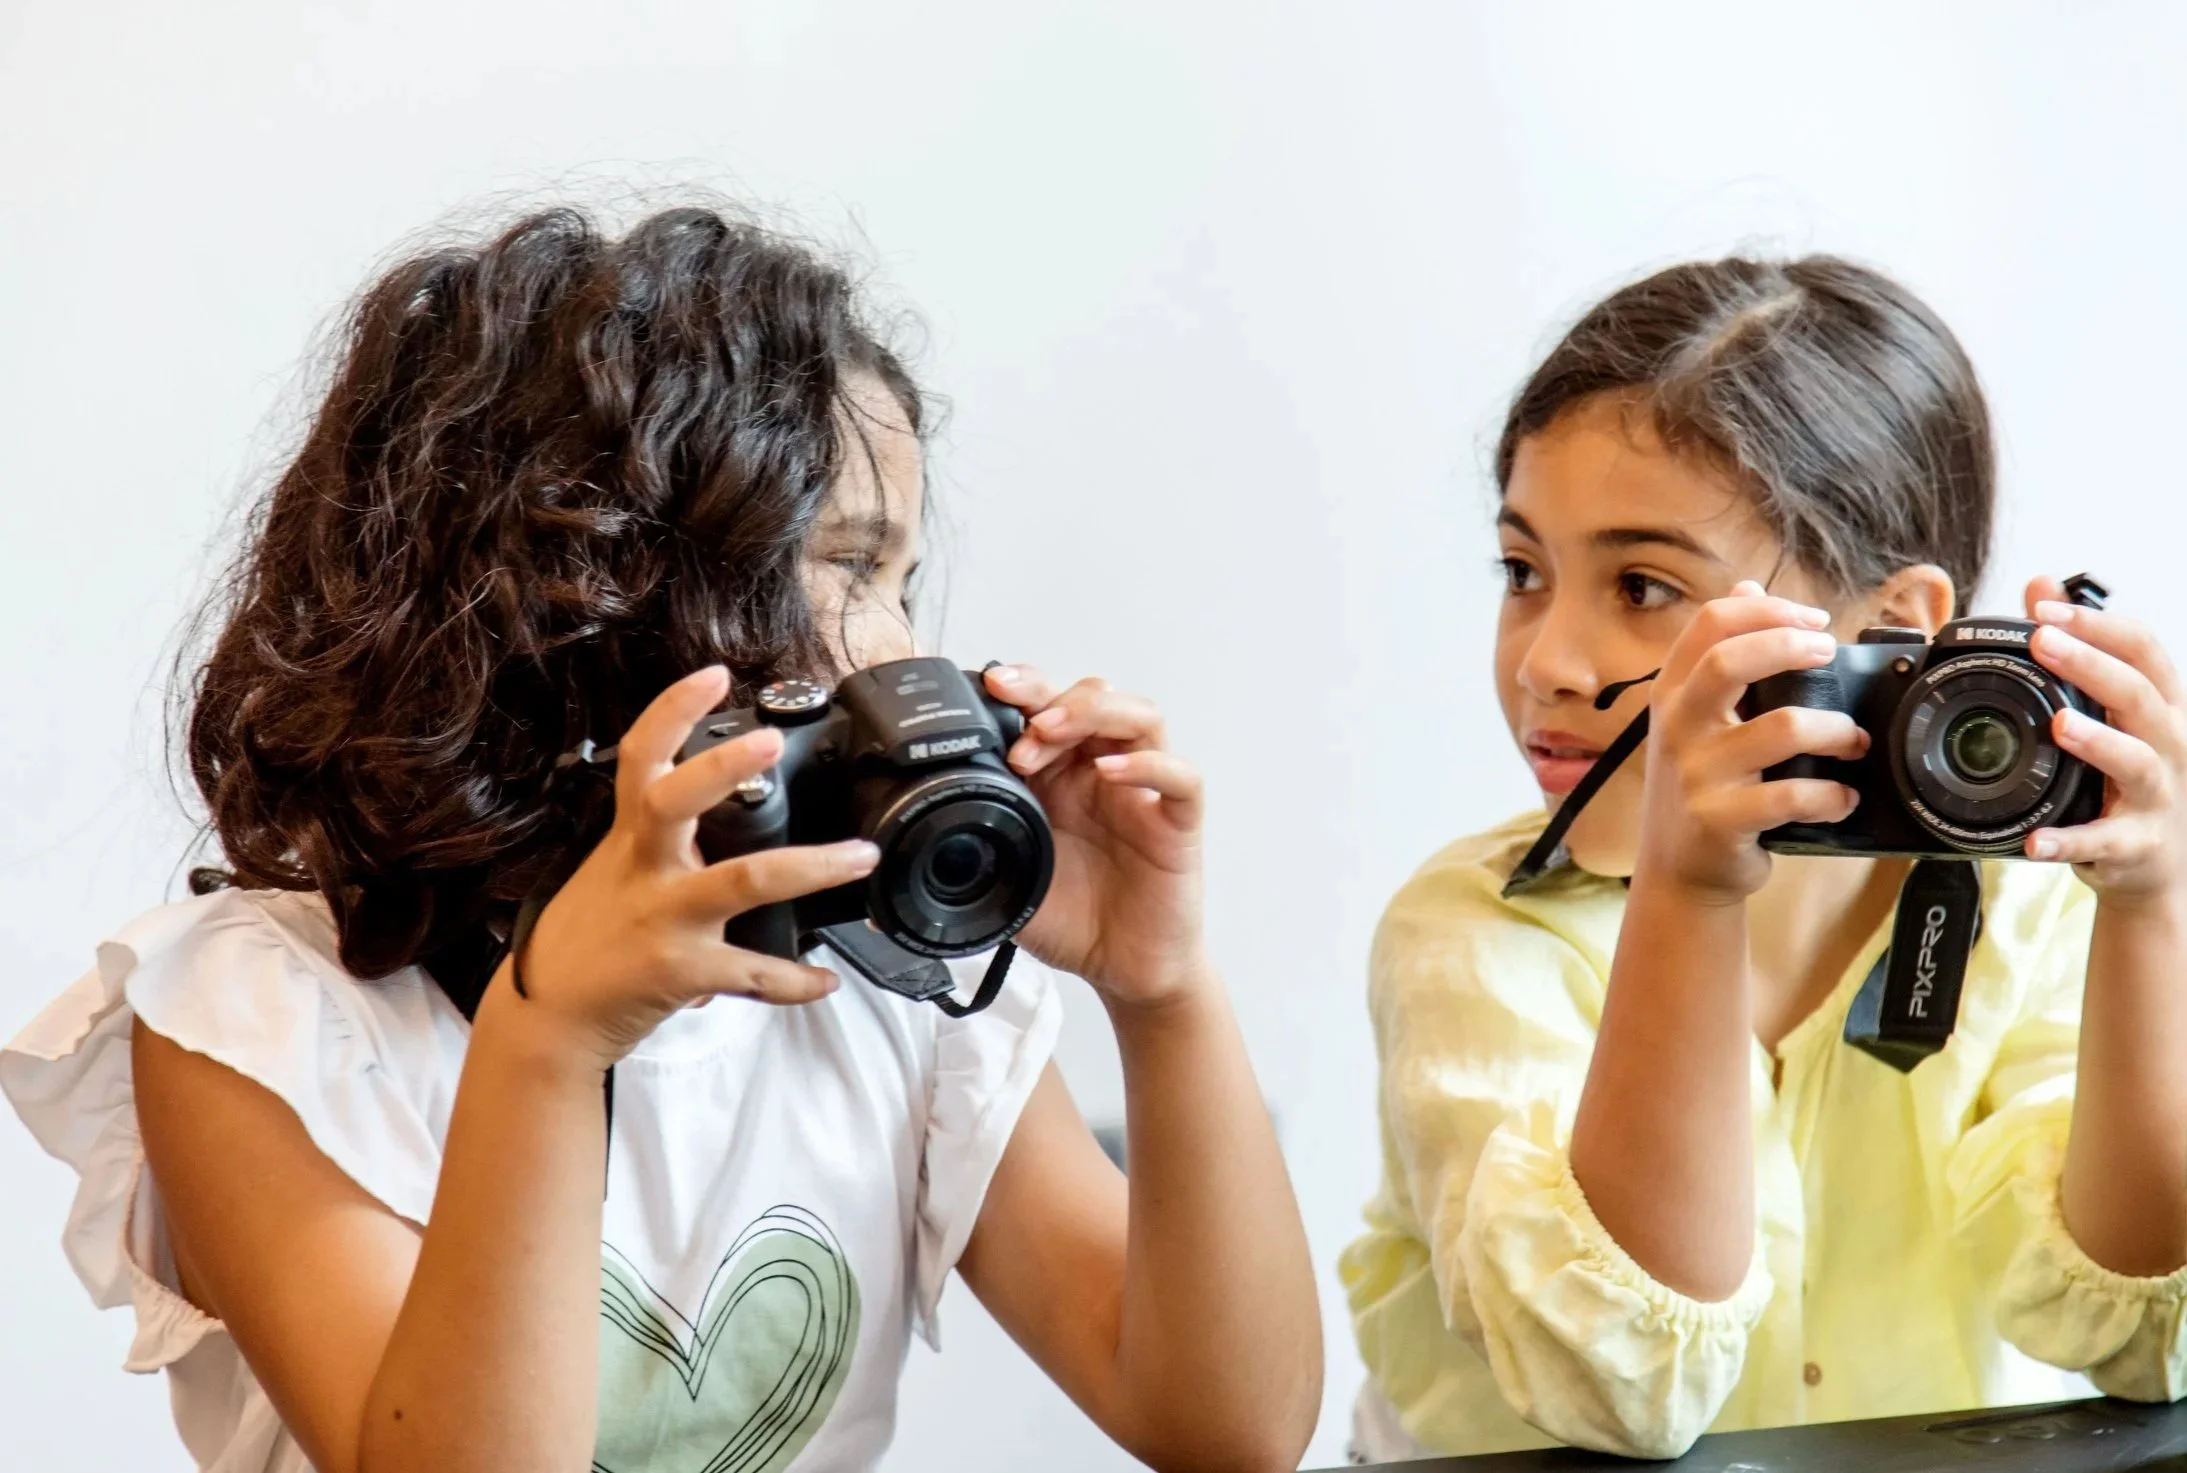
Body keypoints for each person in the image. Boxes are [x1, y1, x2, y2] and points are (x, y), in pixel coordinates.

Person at [1, 204, 1321, 1473]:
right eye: (851, 572)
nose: (903, 651)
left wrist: (1162, 994)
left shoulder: (884, 989)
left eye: (904, 583)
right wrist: (553, 1035)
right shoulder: (255, 1016)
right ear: (582, 599)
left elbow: (1227, 1428)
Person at [1340, 255, 2187, 1461]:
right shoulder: (1471, 932)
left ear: (1895, 628)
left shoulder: (2035, 917)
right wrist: (1687, 893)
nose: (1548, 663)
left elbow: (2145, 1339)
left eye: (1641, 585)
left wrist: (2154, 909)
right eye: (1523, 571)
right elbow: (1616, 1390)